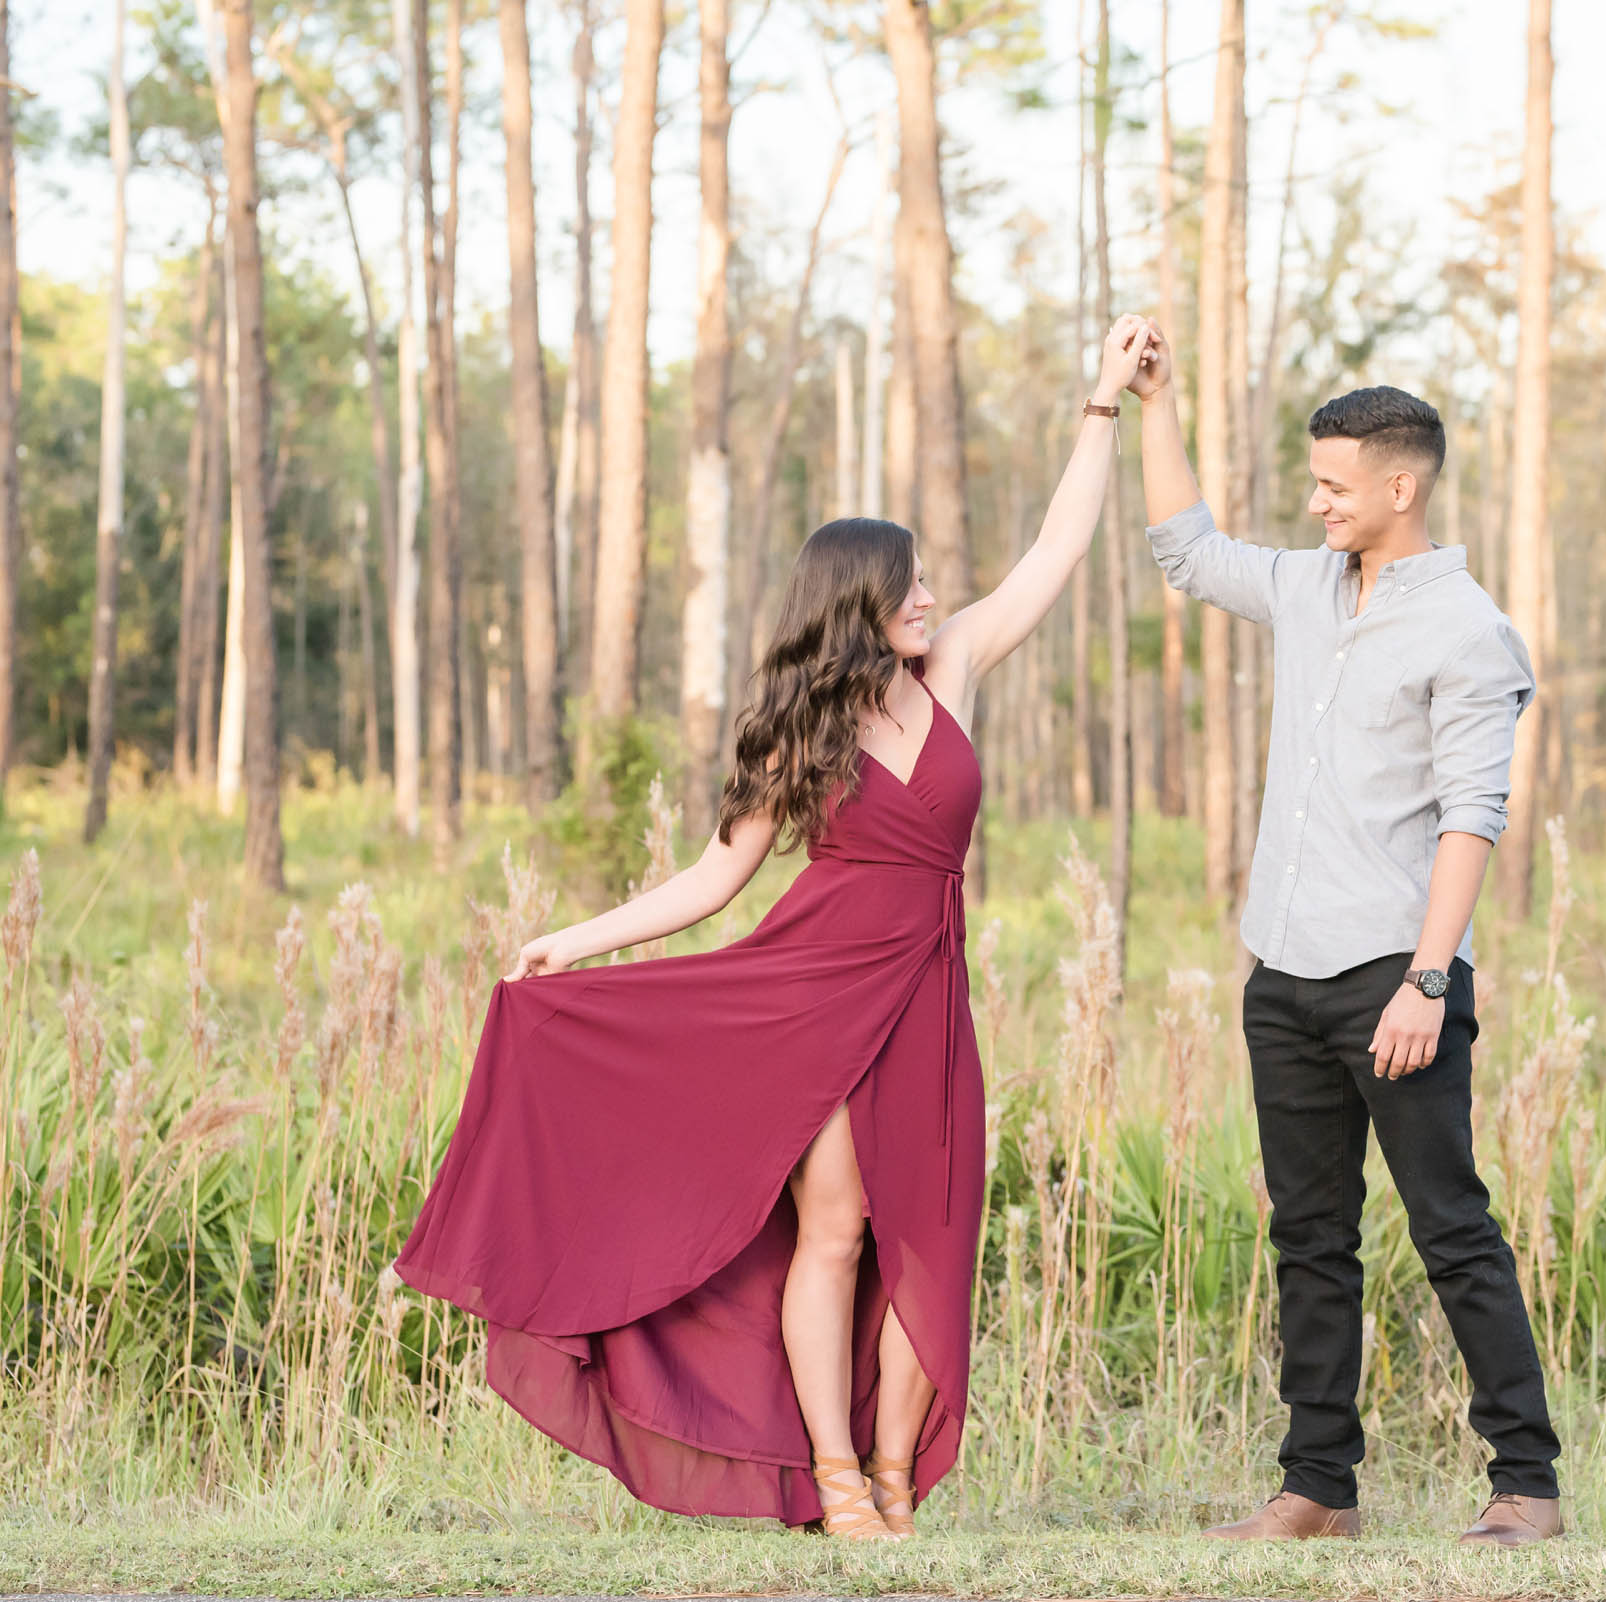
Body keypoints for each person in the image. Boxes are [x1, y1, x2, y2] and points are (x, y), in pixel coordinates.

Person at [395, 315, 1160, 1540]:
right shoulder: (797, 734)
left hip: (931, 996)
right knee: (840, 1231)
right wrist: (575, 942)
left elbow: (1055, 555)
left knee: (938, 1242)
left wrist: (1102, 405)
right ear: (857, 604)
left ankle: (902, 1474)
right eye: (908, 583)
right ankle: (839, 1476)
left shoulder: (950, 672)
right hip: (811, 1006)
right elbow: (712, 883)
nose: (932, 595)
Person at [1127, 323, 1564, 1546]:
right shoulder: (1309, 589)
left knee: (1450, 1230)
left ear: (1398, 487)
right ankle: (1318, 1489)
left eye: (1331, 484)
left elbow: (1473, 817)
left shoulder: (1469, 631)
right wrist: (1156, 402)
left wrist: (1429, 979)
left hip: (1394, 973)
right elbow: (1188, 551)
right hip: (1285, 969)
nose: (1314, 502)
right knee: (1307, 1238)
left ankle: (1526, 1485)